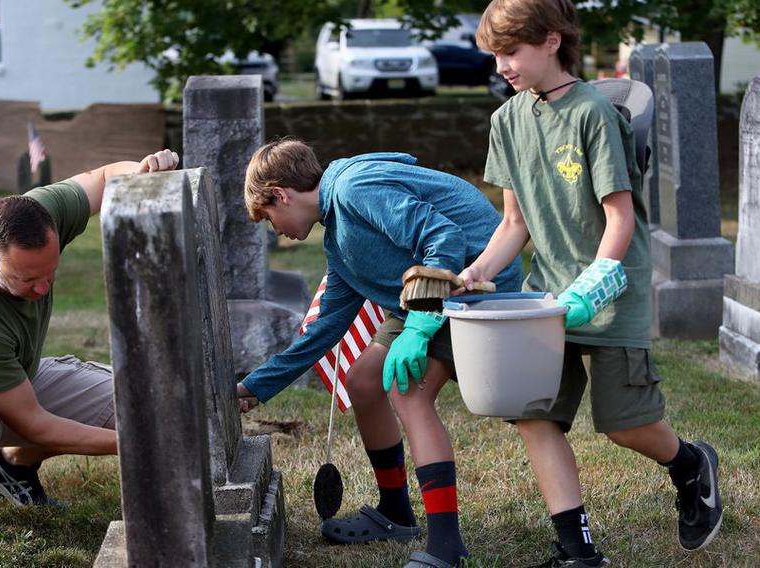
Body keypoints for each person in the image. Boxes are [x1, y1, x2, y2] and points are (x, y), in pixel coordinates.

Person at [455, 1, 723, 565]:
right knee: (536, 415)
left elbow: (620, 217)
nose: (501, 65)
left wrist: (592, 286)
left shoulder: (593, 114)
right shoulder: (506, 121)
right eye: (495, 54)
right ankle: (578, 551)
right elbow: (514, 222)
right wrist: (477, 272)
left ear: (552, 40)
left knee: (627, 425)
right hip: (546, 295)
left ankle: (691, 465)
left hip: (608, 294)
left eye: (511, 51)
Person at [236, 138, 523, 568]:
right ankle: (395, 512)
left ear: (280, 193)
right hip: (419, 293)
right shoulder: (338, 243)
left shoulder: (356, 188)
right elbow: (323, 331)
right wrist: (254, 387)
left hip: (470, 282)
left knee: (407, 390)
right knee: (363, 382)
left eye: (268, 216)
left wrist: (422, 325)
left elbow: (443, 236)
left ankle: (447, 546)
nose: (274, 229)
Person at [0, 149, 181, 538]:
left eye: (51, 272)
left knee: (138, 401)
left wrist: (143, 172)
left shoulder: (36, 214)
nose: (43, 288)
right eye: (27, 280)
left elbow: (105, 176)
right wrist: (139, 445)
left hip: (10, 375)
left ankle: (12, 465)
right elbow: (37, 424)